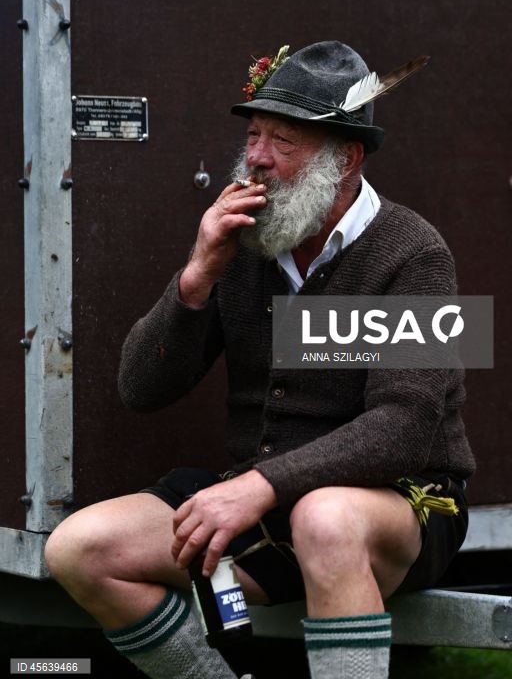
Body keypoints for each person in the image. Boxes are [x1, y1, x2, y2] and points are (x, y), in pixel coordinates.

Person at [45, 41, 476, 679]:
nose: (256, 159)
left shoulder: (413, 252)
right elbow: (139, 388)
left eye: (283, 141)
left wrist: (258, 487)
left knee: (325, 516)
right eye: (253, 135)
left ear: (347, 157)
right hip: (264, 503)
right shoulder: (244, 246)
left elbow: (404, 429)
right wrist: (196, 277)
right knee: (78, 548)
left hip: (396, 505)